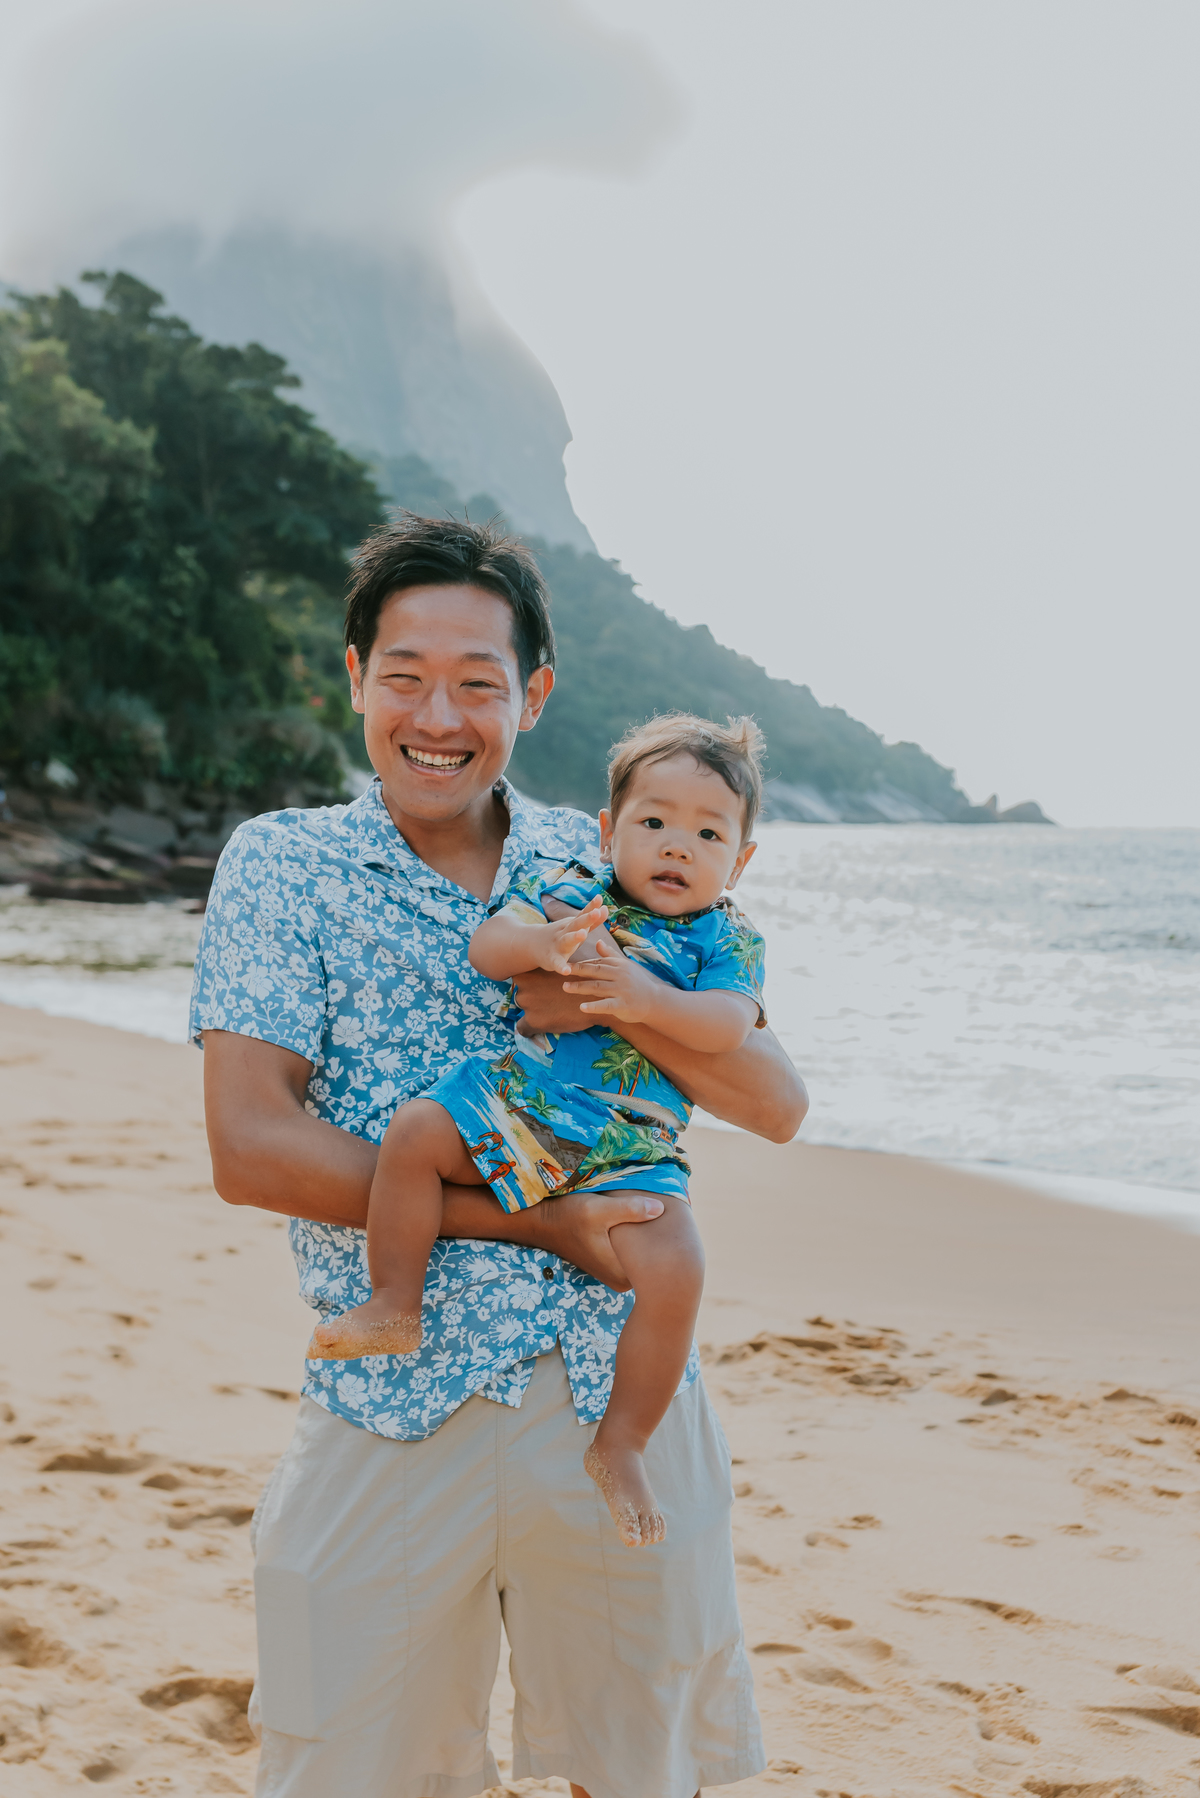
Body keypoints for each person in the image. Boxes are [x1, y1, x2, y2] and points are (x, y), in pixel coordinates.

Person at [194, 515, 808, 1798]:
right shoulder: (284, 863)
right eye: (406, 673)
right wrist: (535, 1223)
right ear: (354, 675)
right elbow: (251, 1148)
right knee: (345, 1771)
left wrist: (623, 989)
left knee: (643, 1772)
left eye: (479, 681)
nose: (439, 713)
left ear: (532, 694)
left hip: (615, 1393)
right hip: (394, 1398)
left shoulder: (617, 855)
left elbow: (774, 1099)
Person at [309, 712, 768, 1551]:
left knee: (677, 1273)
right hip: (524, 1109)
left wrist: (641, 1000)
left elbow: (731, 1028)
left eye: (708, 834)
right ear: (609, 830)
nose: (677, 847)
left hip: (631, 1147)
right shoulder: (575, 889)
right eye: (654, 822)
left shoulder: (725, 938)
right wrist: (540, 941)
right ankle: (393, 1299)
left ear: (739, 861)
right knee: (414, 1134)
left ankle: (622, 1441)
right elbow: (490, 947)